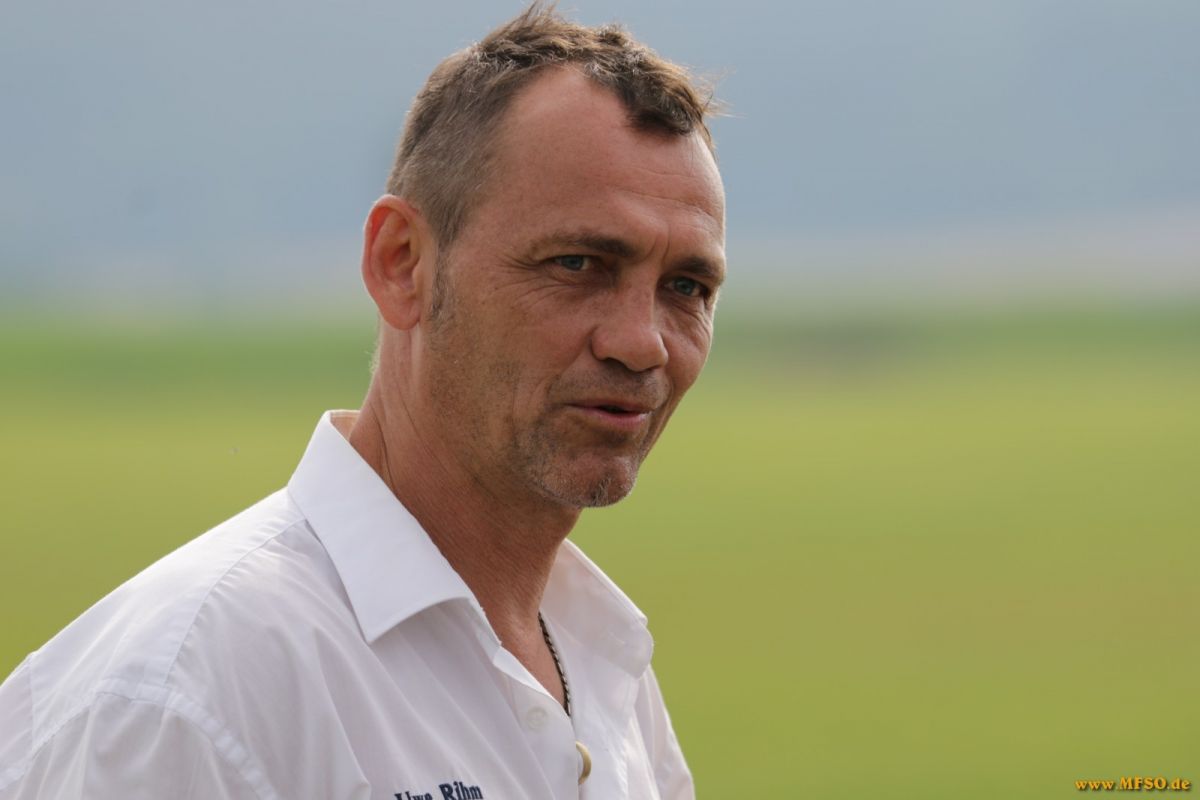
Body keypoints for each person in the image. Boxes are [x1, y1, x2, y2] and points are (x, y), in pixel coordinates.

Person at [0, 5, 724, 799]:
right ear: (401, 262)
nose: (643, 343)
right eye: (579, 264)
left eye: (687, 287)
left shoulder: (604, 667)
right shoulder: (185, 699)